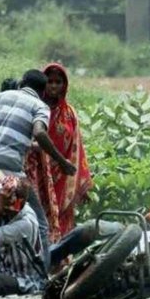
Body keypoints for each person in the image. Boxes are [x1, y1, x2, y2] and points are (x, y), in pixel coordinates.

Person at [0, 69, 77, 270]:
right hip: (10, 169)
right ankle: (42, 273)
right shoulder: (40, 106)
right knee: (41, 222)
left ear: (22, 82)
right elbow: (40, 133)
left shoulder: (2, 96)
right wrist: (62, 162)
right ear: (42, 91)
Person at [25, 63, 93, 245]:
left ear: (65, 85)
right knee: (38, 219)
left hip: (63, 177)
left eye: (58, 82)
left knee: (62, 221)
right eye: (50, 82)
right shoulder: (36, 109)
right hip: (37, 173)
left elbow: (77, 148)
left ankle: (61, 263)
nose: (54, 86)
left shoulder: (69, 113)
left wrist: (80, 182)